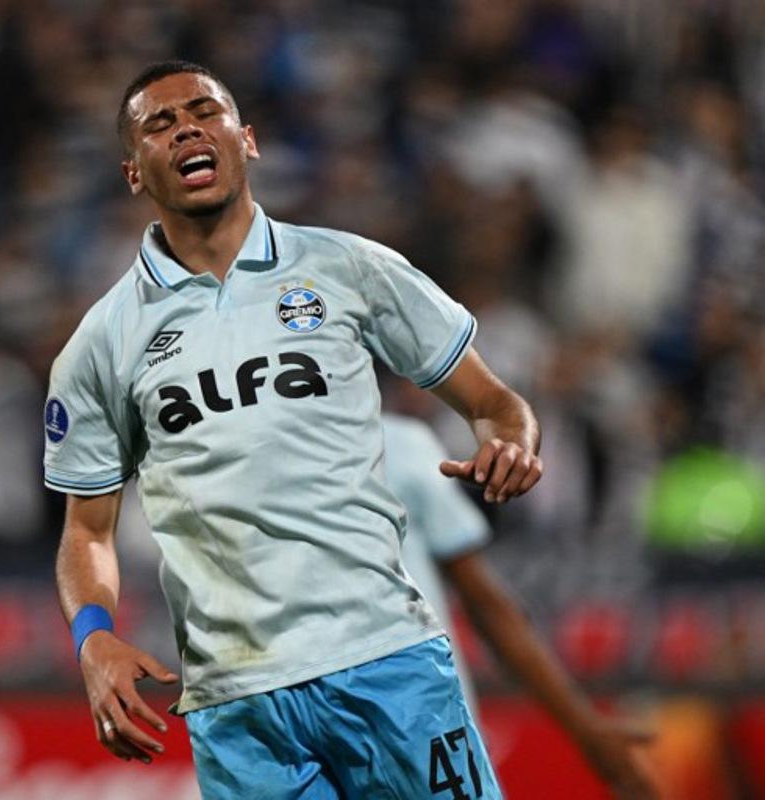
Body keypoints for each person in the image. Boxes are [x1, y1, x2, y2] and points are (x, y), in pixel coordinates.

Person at [45, 60, 542, 798]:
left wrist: (511, 442)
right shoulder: (102, 343)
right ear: (133, 174)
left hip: (388, 658)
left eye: (204, 111)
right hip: (237, 700)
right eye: (160, 122)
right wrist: (93, 639)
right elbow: (87, 531)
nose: (186, 127)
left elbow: (496, 402)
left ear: (246, 141)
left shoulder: (348, 268)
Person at [383, 413, 660, 800]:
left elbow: (488, 605)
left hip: (426, 729)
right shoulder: (394, 443)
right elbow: (489, 605)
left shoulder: (397, 446)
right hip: (361, 728)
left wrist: (585, 727)